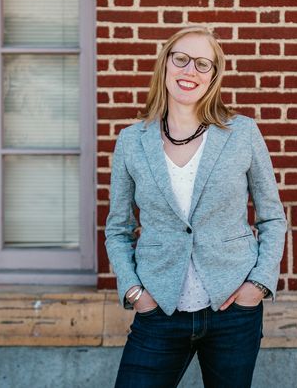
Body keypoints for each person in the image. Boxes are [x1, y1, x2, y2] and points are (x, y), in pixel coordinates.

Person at [105, 25, 287, 388]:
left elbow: (272, 217)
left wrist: (258, 285)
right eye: (182, 59)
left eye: (203, 64)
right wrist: (134, 293)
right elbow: (117, 228)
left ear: (214, 77)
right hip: (159, 310)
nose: (190, 71)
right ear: (165, 65)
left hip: (232, 310)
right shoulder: (131, 141)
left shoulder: (242, 133)